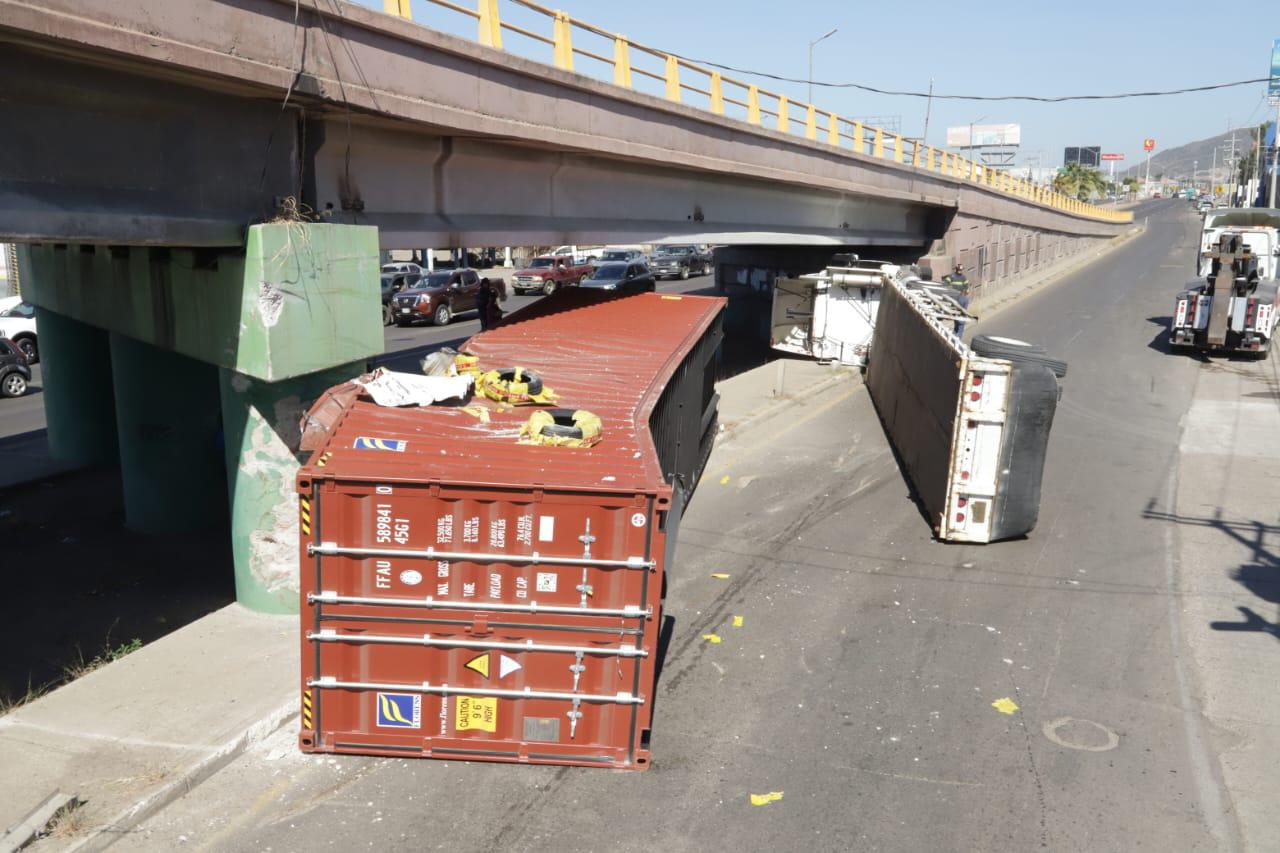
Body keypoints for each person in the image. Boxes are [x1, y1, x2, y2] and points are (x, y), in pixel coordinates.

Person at [942, 263, 971, 336]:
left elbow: (967, 288)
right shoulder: (952, 276)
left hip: (960, 298)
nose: (960, 271)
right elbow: (945, 284)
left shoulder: (963, 278)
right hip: (957, 298)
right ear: (956, 269)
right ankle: (957, 334)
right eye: (959, 270)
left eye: (960, 270)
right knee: (959, 317)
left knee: (959, 317)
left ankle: (957, 334)